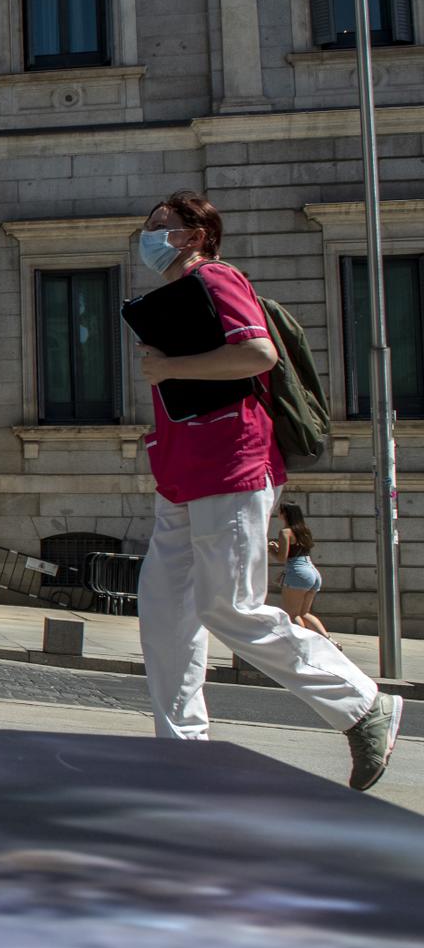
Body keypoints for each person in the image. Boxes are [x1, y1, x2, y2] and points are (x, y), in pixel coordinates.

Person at [134, 191, 400, 790]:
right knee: (165, 615)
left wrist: (168, 367)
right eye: (149, 226)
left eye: (161, 226)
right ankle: (184, 760)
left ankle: (363, 705)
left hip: (231, 465)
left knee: (230, 607)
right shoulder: (175, 299)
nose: (149, 236)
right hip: (182, 474)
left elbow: (257, 353)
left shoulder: (217, 278)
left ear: (195, 236)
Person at [270, 500, 328, 639]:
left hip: (298, 572)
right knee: (304, 613)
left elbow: (282, 558)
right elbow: (296, 551)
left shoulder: (285, 532)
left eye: (280, 510)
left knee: (292, 615)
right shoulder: (304, 530)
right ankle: (329, 640)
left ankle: (302, 642)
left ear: (285, 514)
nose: (278, 512)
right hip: (312, 571)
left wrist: (271, 550)